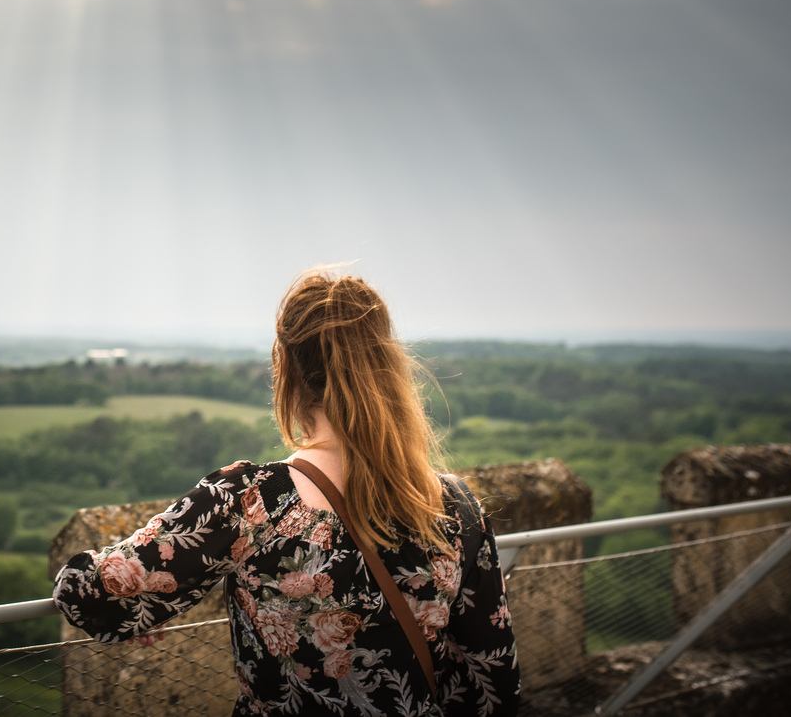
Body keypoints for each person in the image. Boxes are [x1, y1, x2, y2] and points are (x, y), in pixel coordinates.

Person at [52, 268, 521, 716]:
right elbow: (490, 679)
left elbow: (88, 596)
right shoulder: (455, 506)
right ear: (387, 367)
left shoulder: (249, 502)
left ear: (288, 372)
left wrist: (137, 610)